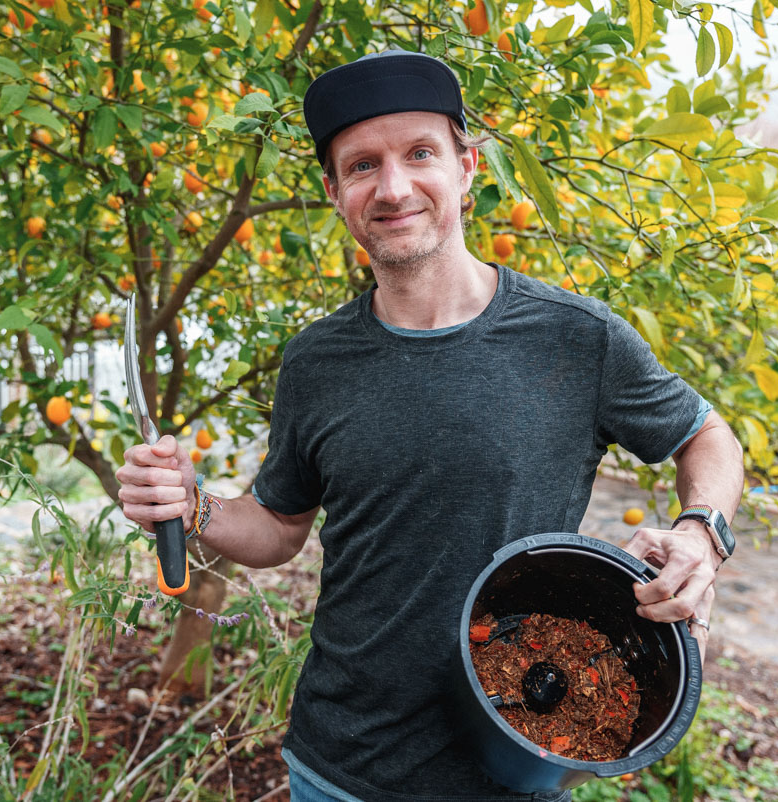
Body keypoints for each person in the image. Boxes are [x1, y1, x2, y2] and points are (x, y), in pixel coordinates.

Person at [117, 50, 744, 802]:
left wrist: (701, 533)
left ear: (468, 168)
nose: (393, 187)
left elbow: (705, 436)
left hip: (513, 762)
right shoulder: (316, 361)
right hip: (336, 764)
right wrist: (194, 507)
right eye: (361, 166)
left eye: (420, 153)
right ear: (334, 191)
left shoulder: (576, 338)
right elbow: (280, 528)